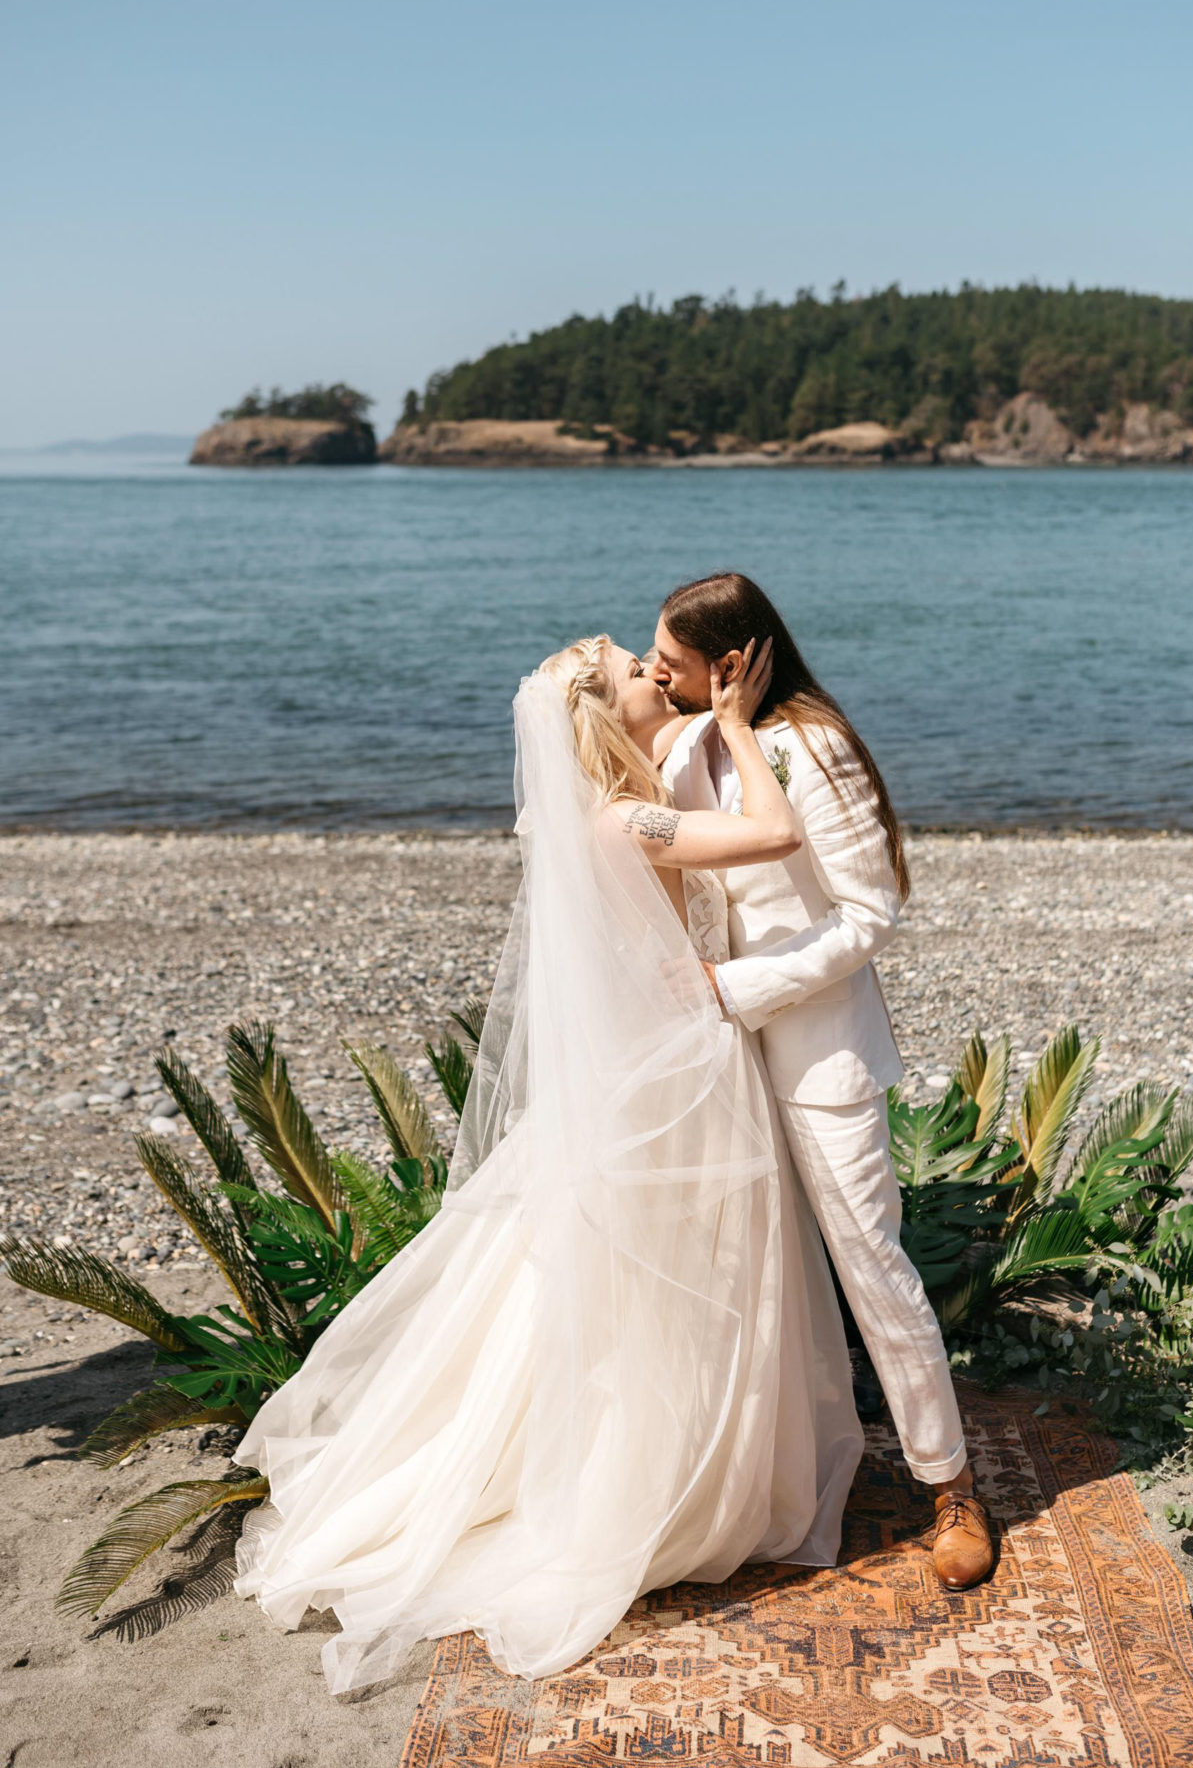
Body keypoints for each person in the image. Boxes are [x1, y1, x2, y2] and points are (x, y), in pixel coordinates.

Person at [233, 635, 865, 1691]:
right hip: (675, 1070)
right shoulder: (623, 817)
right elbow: (773, 831)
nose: (652, 673)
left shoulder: (588, 808)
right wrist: (747, 728)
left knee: (635, 1287)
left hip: (646, 1060)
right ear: (601, 715)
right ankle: (662, 1484)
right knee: (680, 1286)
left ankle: (668, 1460)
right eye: (633, 670)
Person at [651, 572, 994, 1591]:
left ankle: (954, 1488)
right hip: (713, 1054)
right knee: (745, 1270)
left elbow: (868, 915)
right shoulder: (683, 744)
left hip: (815, 1049)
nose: (657, 673)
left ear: (730, 664)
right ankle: (760, 1477)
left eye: (669, 661)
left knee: (871, 1268)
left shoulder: (818, 746)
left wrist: (735, 987)